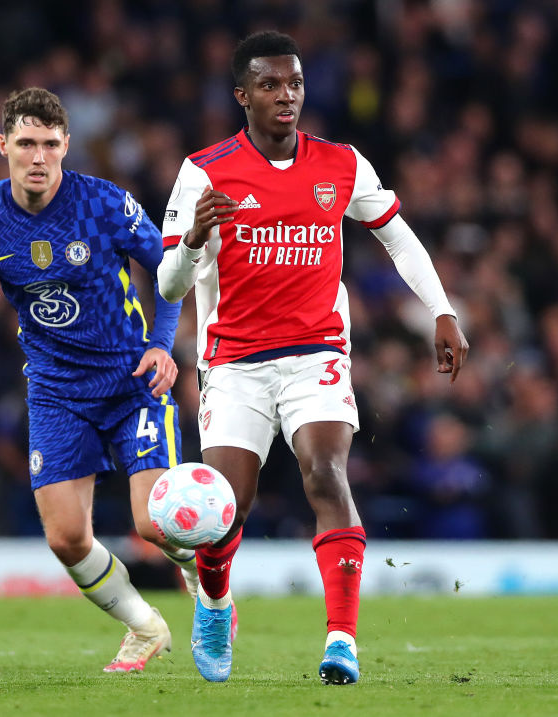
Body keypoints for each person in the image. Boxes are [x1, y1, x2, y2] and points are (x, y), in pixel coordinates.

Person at [158, 31, 468, 684]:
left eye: (294, 82)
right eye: (269, 84)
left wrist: (441, 309)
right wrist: (192, 240)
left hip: (316, 353)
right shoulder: (204, 170)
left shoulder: (340, 164)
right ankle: (215, 603)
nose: (286, 94)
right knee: (226, 509)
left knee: (326, 472)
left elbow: (399, 239)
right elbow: (169, 284)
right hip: (234, 362)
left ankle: (342, 639)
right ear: (242, 95)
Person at [0, 87, 200, 673]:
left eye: (49, 143)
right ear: (3, 147)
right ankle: (144, 627)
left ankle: (211, 589)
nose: (38, 155)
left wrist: (161, 346)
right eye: (26, 143)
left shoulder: (104, 204)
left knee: (153, 525)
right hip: (54, 390)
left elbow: (170, 268)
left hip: (130, 381)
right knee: (67, 539)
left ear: (67, 145)